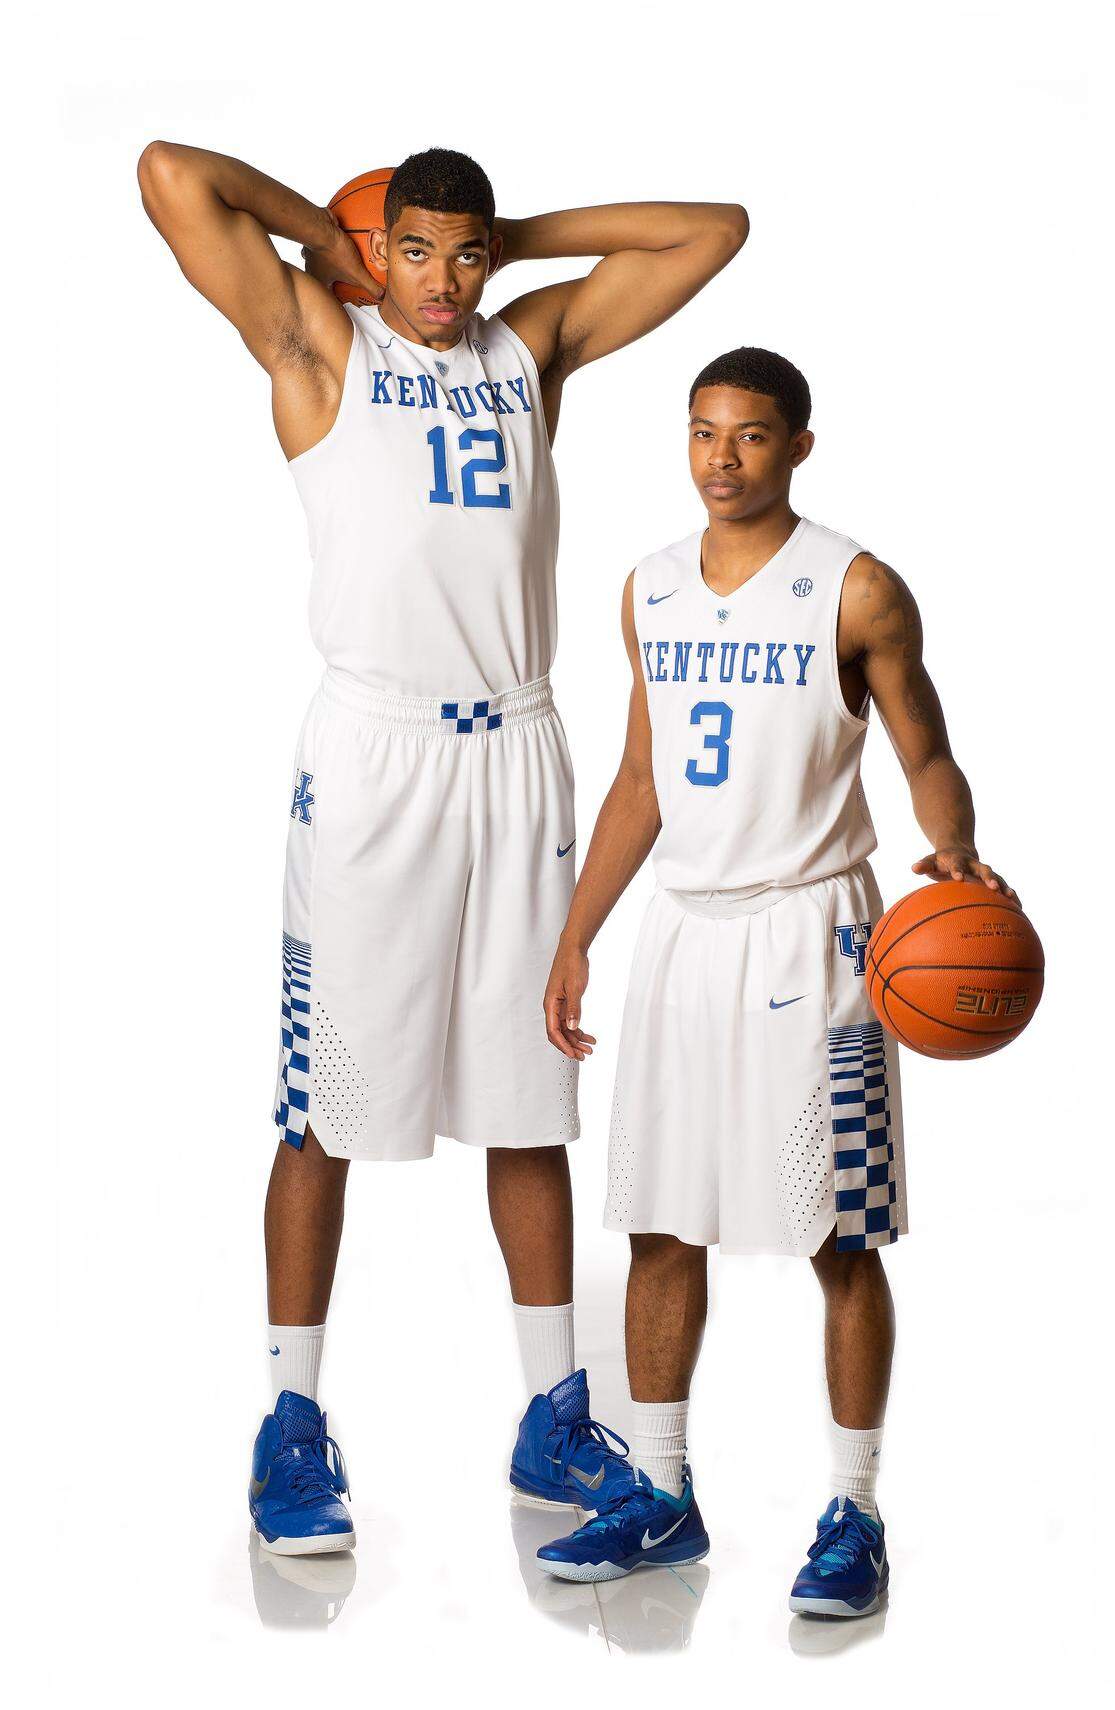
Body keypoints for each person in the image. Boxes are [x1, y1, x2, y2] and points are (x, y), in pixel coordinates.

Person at [137, 141, 748, 1556]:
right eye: (418, 250)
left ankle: (552, 1415)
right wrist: (330, 237)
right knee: (326, 1106)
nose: (444, 280)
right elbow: (170, 173)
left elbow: (713, 228)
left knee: (530, 1105)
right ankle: (291, 1421)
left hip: (518, 746)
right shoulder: (315, 342)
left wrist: (516, 235)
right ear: (381, 250)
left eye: (464, 255)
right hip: (376, 754)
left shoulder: (524, 350)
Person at [537, 345, 1016, 1613]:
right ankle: (661, 1493)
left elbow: (925, 752)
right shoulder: (648, 588)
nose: (723, 458)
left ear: (798, 445)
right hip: (686, 938)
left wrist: (955, 847)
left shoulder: (855, 588)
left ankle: (855, 1512)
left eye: (750, 435)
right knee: (659, 1225)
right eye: (703, 432)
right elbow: (641, 782)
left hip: (818, 936)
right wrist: (578, 935)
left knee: (841, 1237)